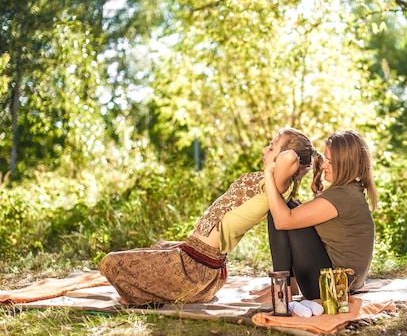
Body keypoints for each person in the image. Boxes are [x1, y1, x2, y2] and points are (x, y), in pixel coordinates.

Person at [99, 127, 316, 306]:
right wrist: (275, 156)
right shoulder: (270, 182)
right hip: (192, 256)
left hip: (197, 271)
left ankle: (147, 297)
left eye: (271, 147)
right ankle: (148, 295)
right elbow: (287, 158)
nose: (264, 150)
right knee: (156, 249)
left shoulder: (277, 184)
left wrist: (279, 162)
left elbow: (289, 158)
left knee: (110, 263)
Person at [264, 129, 378, 300]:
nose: (324, 165)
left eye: (330, 162)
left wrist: (268, 174)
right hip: (343, 282)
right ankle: (288, 289)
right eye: (326, 159)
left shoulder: (342, 196)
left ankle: (281, 291)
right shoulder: (351, 191)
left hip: (332, 287)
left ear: (346, 164)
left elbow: (282, 221)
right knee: (289, 208)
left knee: (279, 212)